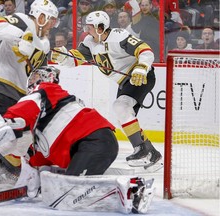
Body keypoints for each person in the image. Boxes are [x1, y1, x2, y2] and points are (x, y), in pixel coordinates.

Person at [0, 66, 155, 214]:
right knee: (65, 188)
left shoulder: (47, 90)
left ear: (48, 77)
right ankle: (126, 183)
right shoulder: (42, 122)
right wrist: (33, 177)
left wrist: (0, 126)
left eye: (36, 75)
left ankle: (134, 191)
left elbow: (25, 107)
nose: (31, 80)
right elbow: (42, 159)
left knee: (69, 192)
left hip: (93, 141)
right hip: (93, 145)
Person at [51, 11, 162, 171]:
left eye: (89, 27)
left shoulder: (118, 36)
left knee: (121, 107)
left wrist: (141, 68)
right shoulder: (90, 41)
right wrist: (63, 57)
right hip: (124, 82)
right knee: (122, 114)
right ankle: (151, 153)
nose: (86, 31)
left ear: (100, 28)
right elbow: (76, 60)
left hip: (140, 76)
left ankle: (142, 149)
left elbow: (145, 50)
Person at [0, 0, 60, 181]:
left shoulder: (43, 44)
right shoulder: (23, 21)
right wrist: (22, 37)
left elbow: (39, 77)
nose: (53, 25)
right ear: (41, 17)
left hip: (17, 95)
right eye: (51, 20)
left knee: (24, 138)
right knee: (9, 134)